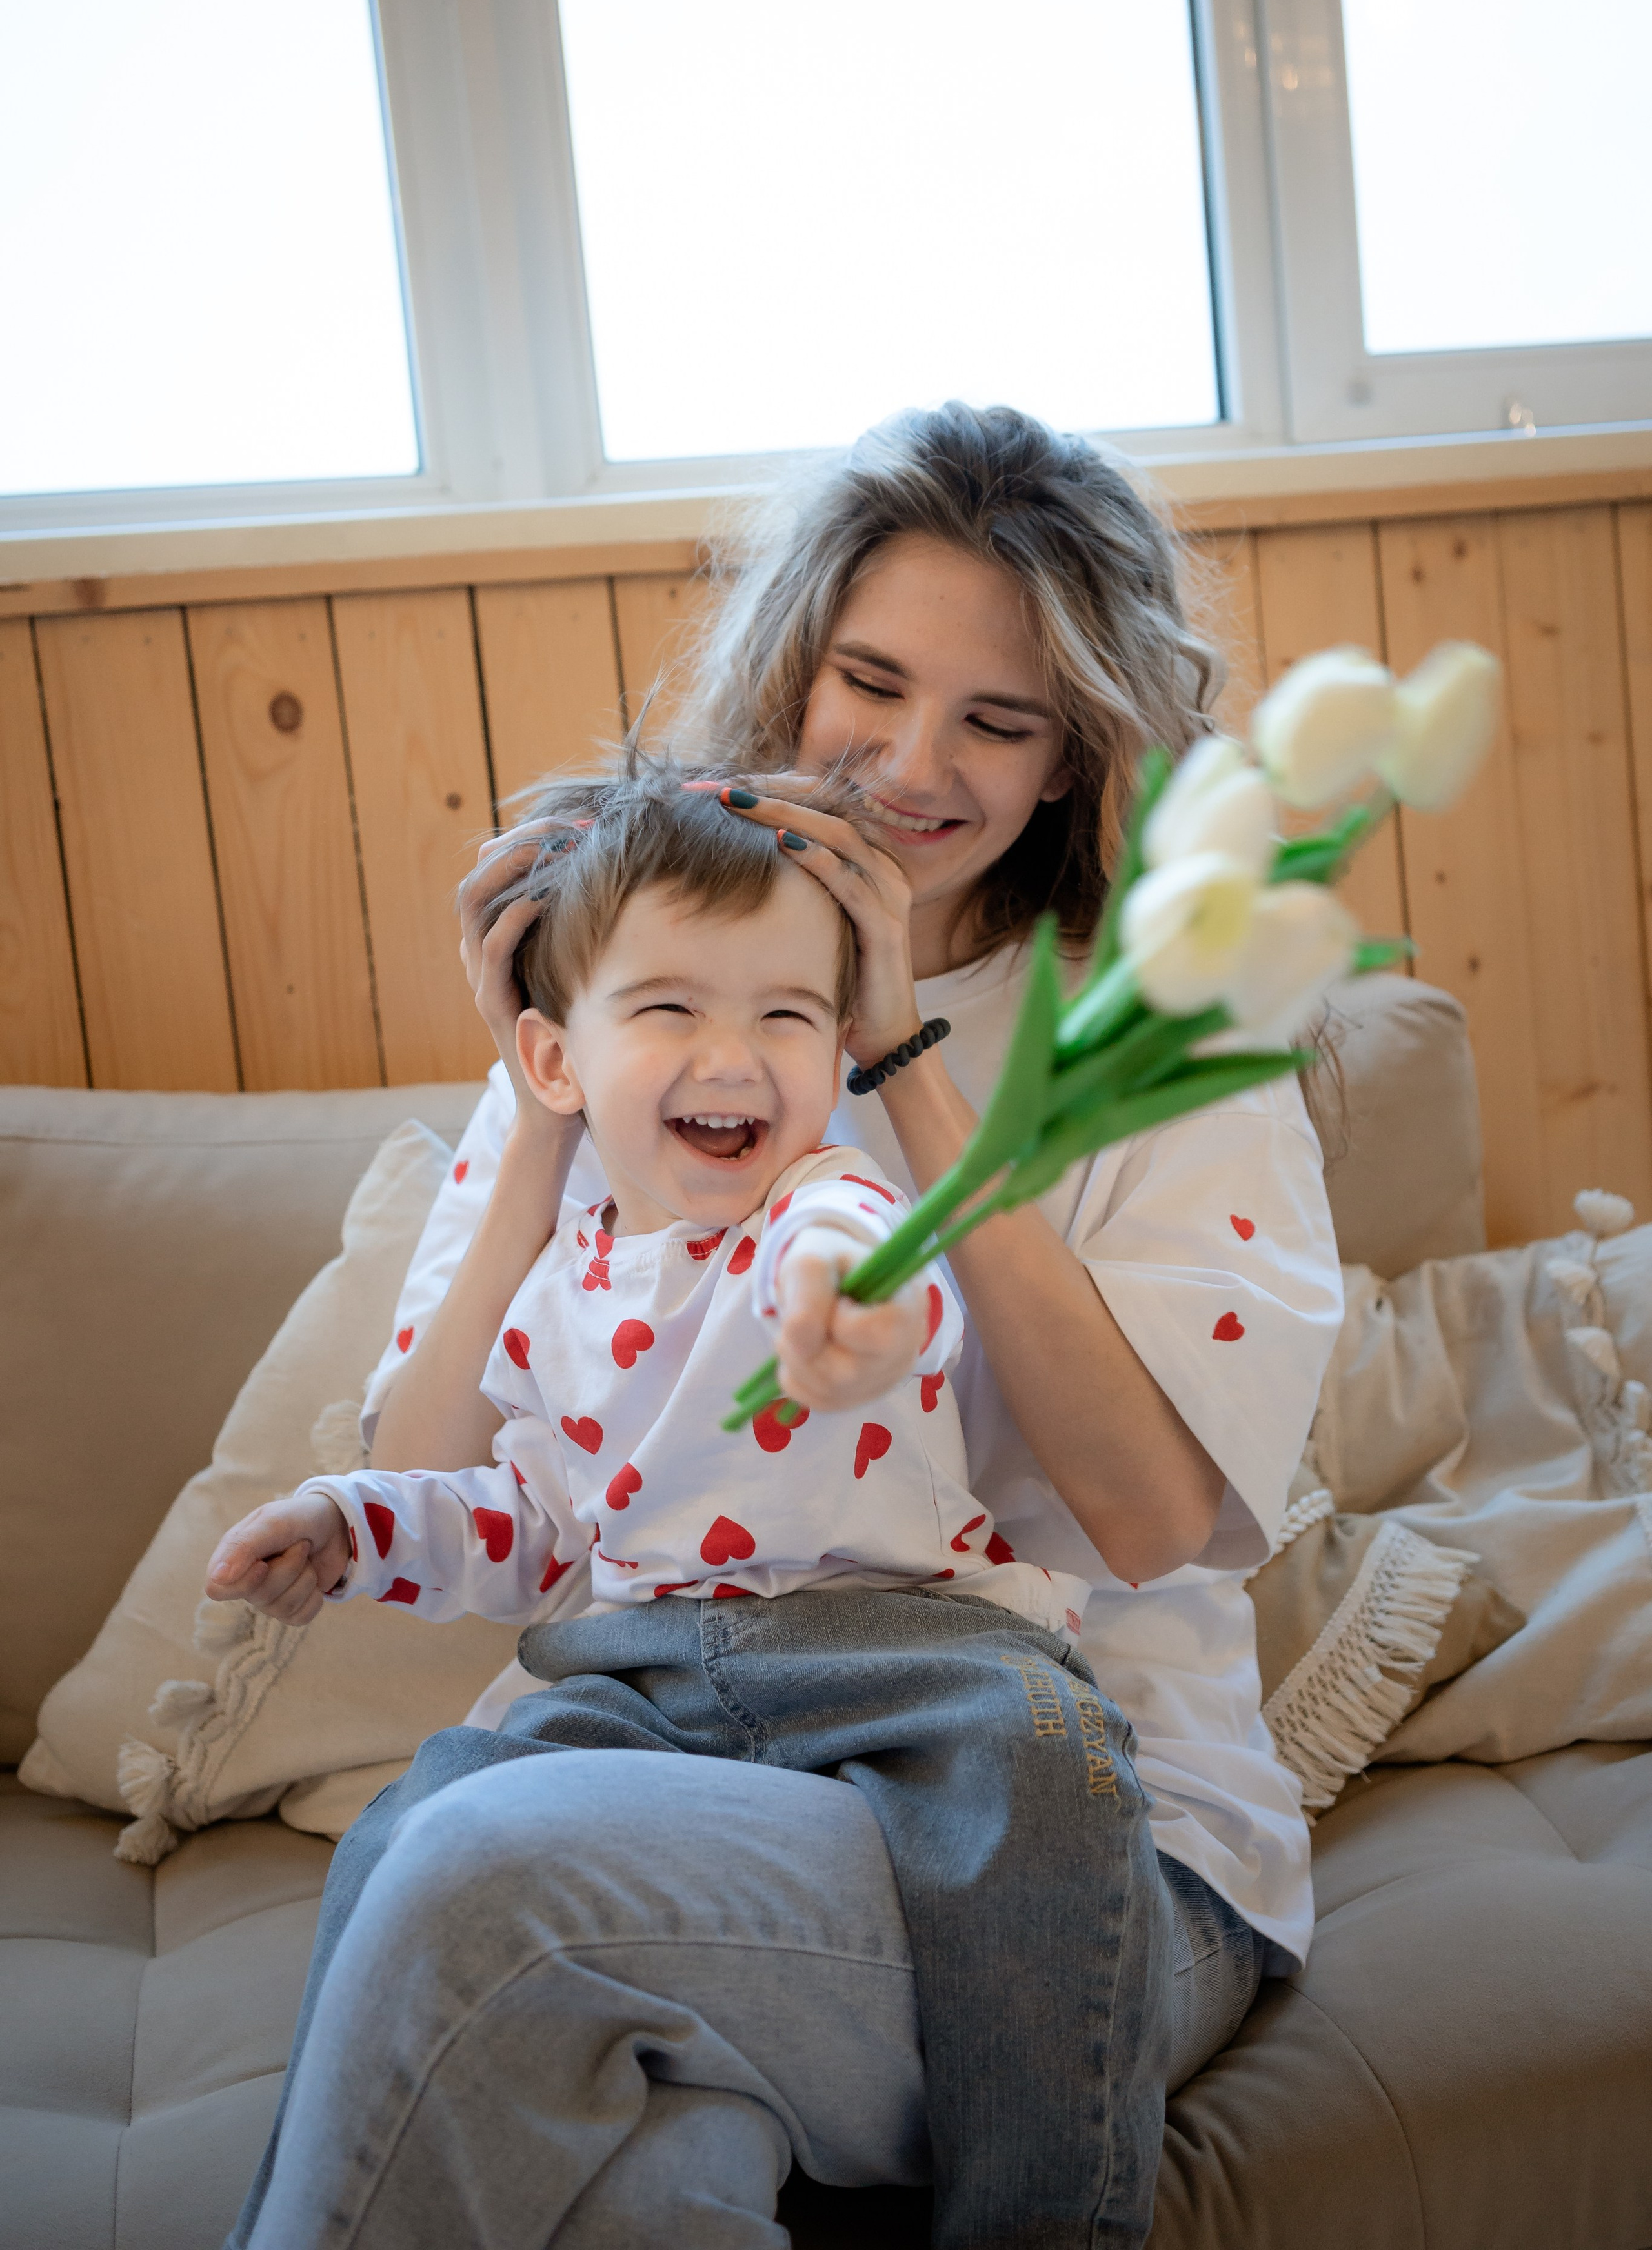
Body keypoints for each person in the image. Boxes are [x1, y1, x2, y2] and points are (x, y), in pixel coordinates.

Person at [225, 403, 1344, 2250]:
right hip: (684, 1760)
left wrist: (898, 1055)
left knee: (482, 1885)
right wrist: (534, 1112)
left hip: (1070, 1838)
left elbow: (1145, 1522)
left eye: (1000, 720)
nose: (916, 764)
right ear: (792, 671)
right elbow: (428, 1478)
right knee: (638, 2191)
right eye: (872, 685)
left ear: (1079, 755)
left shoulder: (1167, 1036)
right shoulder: (664, 1011)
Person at [210, 760, 1138, 2245]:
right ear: (553, 1061)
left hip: (895, 1652)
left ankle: (1045, 2209)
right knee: (422, 1820)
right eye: (668, 1011)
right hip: (638, 1679)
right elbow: (527, 1524)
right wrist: (352, 1523)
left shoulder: (828, 1205)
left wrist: (849, 1313)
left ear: (838, 1049)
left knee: (1053, 1758)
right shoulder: (554, 1294)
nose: (736, 1055)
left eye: (783, 1015)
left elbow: (857, 1261)